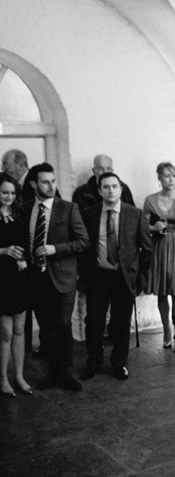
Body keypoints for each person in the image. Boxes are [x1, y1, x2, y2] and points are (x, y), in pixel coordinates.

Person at [79, 172, 151, 381]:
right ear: (100, 190)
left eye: (114, 186)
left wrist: (141, 276)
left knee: (121, 323)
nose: (110, 190)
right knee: (93, 322)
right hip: (98, 277)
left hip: (123, 277)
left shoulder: (135, 214)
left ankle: (119, 363)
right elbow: (84, 248)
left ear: (121, 189)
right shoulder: (89, 214)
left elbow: (147, 249)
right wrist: (83, 276)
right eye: (106, 187)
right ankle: (94, 362)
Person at [23, 162, 89, 391]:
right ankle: (52, 372)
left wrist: (55, 249)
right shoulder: (26, 207)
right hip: (36, 277)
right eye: (45, 182)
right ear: (34, 184)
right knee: (46, 327)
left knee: (62, 325)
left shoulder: (68, 208)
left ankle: (65, 373)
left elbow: (83, 242)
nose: (51, 186)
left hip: (62, 276)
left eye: (52, 181)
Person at [142, 162, 175, 352]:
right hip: (158, 245)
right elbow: (141, 226)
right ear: (159, 178)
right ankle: (166, 330)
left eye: (173, 175)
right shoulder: (150, 199)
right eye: (166, 176)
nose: (171, 179)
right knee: (162, 291)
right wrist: (153, 228)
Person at [0, 173, 32, 397]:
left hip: (19, 276)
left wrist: (22, 258)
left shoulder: (19, 213)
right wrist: (4, 251)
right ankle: (2, 377)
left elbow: (23, 242)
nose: (9, 196)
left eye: (12, 192)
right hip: (1, 277)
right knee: (5, 332)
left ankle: (19, 376)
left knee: (20, 329)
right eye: (4, 192)